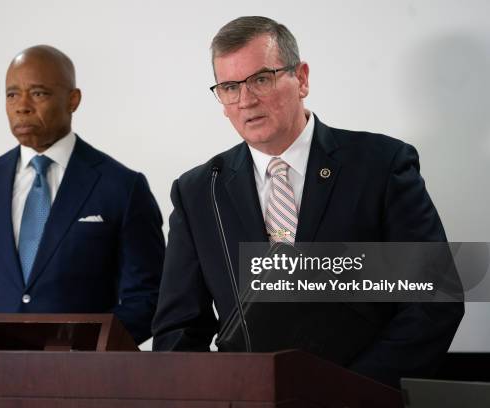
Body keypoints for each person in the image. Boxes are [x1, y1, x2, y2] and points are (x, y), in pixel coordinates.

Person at [151, 16, 463, 387]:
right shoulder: (199, 191)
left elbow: (433, 301)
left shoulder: (380, 166)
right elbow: (178, 330)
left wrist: (348, 390)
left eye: (261, 79)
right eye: (230, 87)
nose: (246, 100)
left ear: (301, 79)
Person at [0, 45, 164, 350]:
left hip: (85, 384)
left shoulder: (122, 187)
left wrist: (85, 347)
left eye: (39, 93)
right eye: (12, 95)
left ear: (73, 100)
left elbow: (148, 296)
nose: (22, 106)